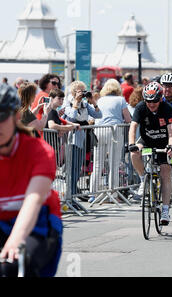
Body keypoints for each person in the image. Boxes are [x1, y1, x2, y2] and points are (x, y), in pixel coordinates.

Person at [0, 84, 62, 276]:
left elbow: (33, 201)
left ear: (16, 117)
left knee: (14, 264)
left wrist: (16, 237)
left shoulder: (39, 151)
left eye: (1, 117)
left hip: (38, 221)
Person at [129, 82, 172, 225]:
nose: (151, 104)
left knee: (165, 172)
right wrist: (131, 144)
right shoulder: (141, 107)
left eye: (154, 101)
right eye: (148, 101)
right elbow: (133, 127)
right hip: (147, 140)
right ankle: (143, 178)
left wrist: (171, 146)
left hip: (163, 142)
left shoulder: (167, 108)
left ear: (160, 98)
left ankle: (166, 210)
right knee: (134, 154)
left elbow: (171, 131)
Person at [90, 79, 132, 193]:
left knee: (98, 164)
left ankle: (92, 193)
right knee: (114, 164)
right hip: (114, 130)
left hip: (99, 130)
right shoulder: (121, 100)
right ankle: (112, 192)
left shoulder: (100, 100)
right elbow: (128, 119)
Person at [63, 81, 102, 197]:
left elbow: (99, 115)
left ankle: (74, 192)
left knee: (78, 167)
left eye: (83, 91)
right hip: (71, 139)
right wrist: (76, 101)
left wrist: (93, 102)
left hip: (82, 139)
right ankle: (70, 192)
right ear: (74, 92)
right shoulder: (68, 103)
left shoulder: (85, 104)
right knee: (72, 167)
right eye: (80, 91)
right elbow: (72, 116)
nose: (82, 94)